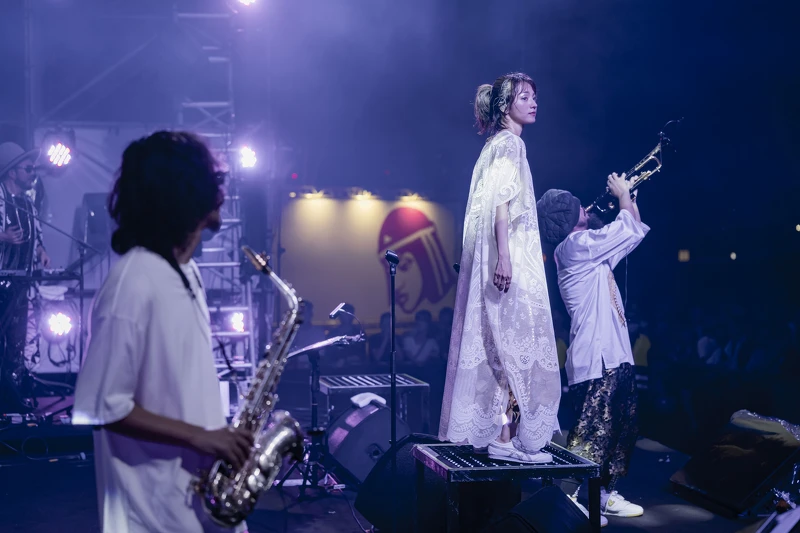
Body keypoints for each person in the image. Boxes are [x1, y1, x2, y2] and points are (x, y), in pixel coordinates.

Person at [72, 131, 253, 533]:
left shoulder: (187, 272)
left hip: (202, 504)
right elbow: (100, 406)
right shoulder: (133, 281)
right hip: (155, 517)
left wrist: (221, 440)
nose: (222, 189)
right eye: (211, 178)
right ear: (183, 191)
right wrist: (203, 437)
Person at [439, 72, 561, 463]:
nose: (533, 103)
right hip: (508, 257)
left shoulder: (494, 146)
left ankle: (501, 435)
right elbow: (500, 205)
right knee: (511, 341)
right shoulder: (510, 144)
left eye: (534, 96)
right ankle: (505, 439)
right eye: (524, 97)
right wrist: (505, 257)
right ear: (506, 105)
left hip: (494, 257)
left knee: (496, 343)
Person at [537, 174, 648, 521]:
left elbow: (631, 233)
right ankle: (568, 500)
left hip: (615, 354)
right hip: (595, 358)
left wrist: (629, 200)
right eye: (577, 207)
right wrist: (623, 197)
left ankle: (605, 495)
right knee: (590, 435)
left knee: (621, 429)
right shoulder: (573, 247)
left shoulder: (588, 250)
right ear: (567, 219)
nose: (585, 207)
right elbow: (624, 229)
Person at [0, 142, 50, 412]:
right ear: (12, 172)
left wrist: (41, 251)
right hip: (0, 282)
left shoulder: (28, 203)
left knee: (17, 341)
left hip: (21, 284)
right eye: (28, 169)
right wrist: (3, 236)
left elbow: (37, 237)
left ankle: (13, 396)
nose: (33, 173)